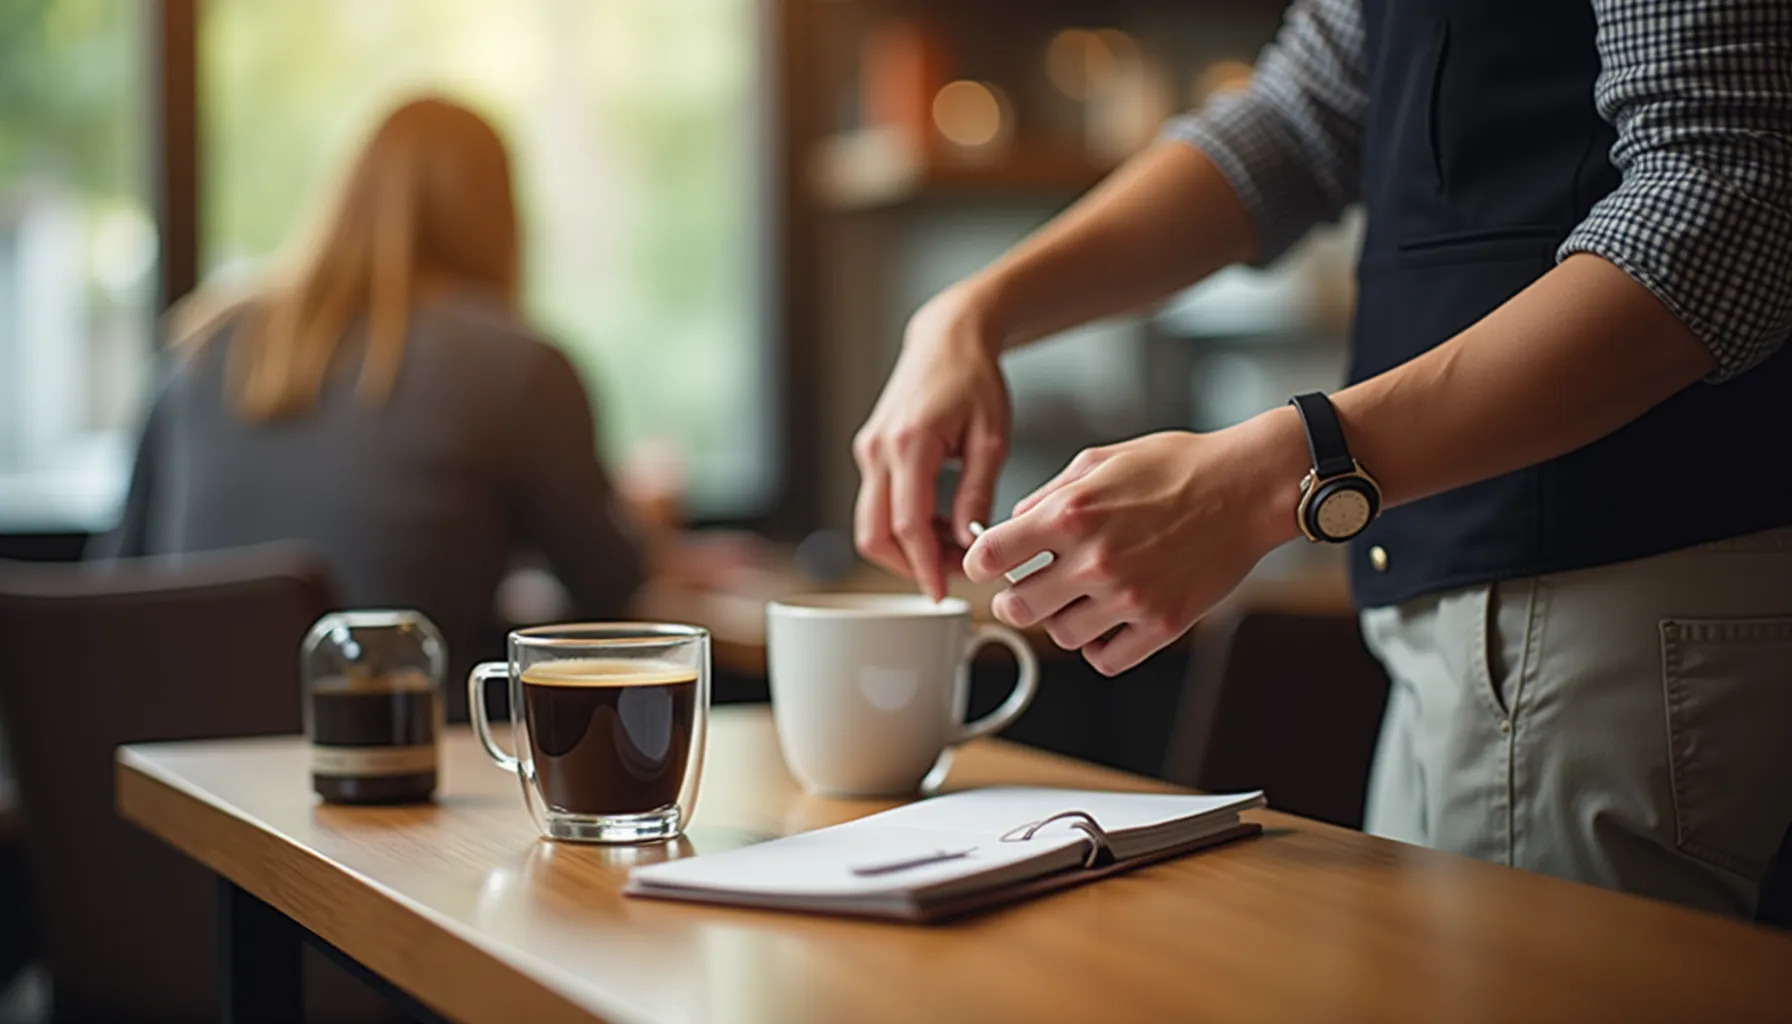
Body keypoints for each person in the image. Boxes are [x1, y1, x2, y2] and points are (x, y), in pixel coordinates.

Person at [851, 0, 1791, 919]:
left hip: (1603, 604)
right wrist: (974, 311)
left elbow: (1729, 195)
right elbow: (1310, 111)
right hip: (1481, 626)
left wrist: (1278, 472)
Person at [92, 97, 647, 714]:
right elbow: (609, 589)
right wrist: (649, 528)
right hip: (396, 768)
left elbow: (117, 575)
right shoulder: (519, 367)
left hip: (185, 773)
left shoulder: (203, 342)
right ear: (502, 216)